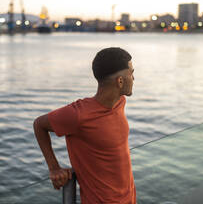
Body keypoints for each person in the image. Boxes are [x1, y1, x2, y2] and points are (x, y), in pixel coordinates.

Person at [33, 47, 136, 203]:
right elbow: (39, 125)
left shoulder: (120, 102)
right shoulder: (78, 115)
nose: (134, 78)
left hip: (129, 199)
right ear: (120, 81)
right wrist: (54, 167)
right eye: (132, 73)